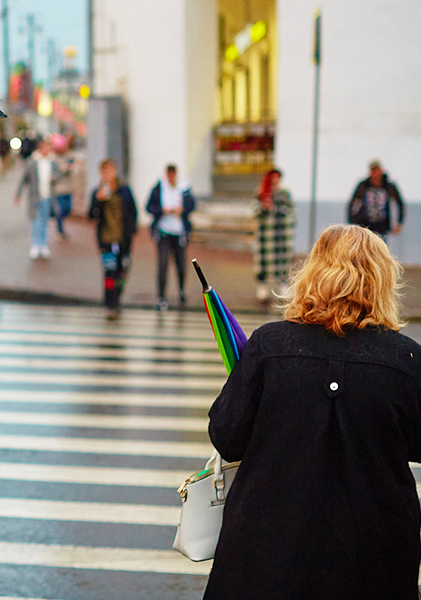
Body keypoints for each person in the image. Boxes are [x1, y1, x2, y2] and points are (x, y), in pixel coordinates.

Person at [205, 224, 419, 599]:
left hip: (268, 553)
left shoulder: (269, 345)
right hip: (372, 556)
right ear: (382, 280)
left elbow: (227, 436)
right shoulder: (407, 359)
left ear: (312, 272)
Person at [88, 159, 137, 319]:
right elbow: (91, 215)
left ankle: (116, 298)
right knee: (109, 272)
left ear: (115, 172)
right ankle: (111, 304)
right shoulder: (97, 192)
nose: (107, 175)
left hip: (123, 239)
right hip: (106, 239)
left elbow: (133, 211)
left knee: (122, 271)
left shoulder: (124, 190)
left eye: (109, 171)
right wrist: (98, 201)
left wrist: (132, 232)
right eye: (104, 172)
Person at [145, 164, 195, 310]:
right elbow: (149, 207)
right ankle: (161, 296)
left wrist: (182, 210)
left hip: (179, 233)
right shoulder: (159, 188)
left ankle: (181, 290)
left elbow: (192, 205)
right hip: (164, 232)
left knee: (181, 264)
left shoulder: (184, 188)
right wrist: (162, 210)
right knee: (162, 264)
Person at [254, 168, 295, 301]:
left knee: (283, 261)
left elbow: (291, 212)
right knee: (264, 262)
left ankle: (284, 285)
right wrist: (263, 208)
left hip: (281, 234)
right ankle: (262, 287)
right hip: (266, 234)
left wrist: (276, 208)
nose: (275, 181)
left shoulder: (284, 193)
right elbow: (255, 210)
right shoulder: (261, 192)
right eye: (272, 178)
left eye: (277, 178)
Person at [17, 139, 61, 259]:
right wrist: (18, 194)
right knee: (35, 221)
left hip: (48, 197)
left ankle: (43, 244)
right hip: (35, 197)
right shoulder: (32, 162)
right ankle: (35, 244)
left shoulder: (52, 163)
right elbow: (24, 179)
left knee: (45, 221)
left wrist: (55, 178)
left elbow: (58, 176)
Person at [347, 159, 404, 238]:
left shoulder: (388, 186)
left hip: (382, 227)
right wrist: (352, 223)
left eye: (377, 171)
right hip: (366, 225)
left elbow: (400, 203)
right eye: (373, 171)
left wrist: (399, 222)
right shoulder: (363, 185)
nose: (375, 174)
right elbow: (352, 204)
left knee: (381, 244)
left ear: (381, 171)